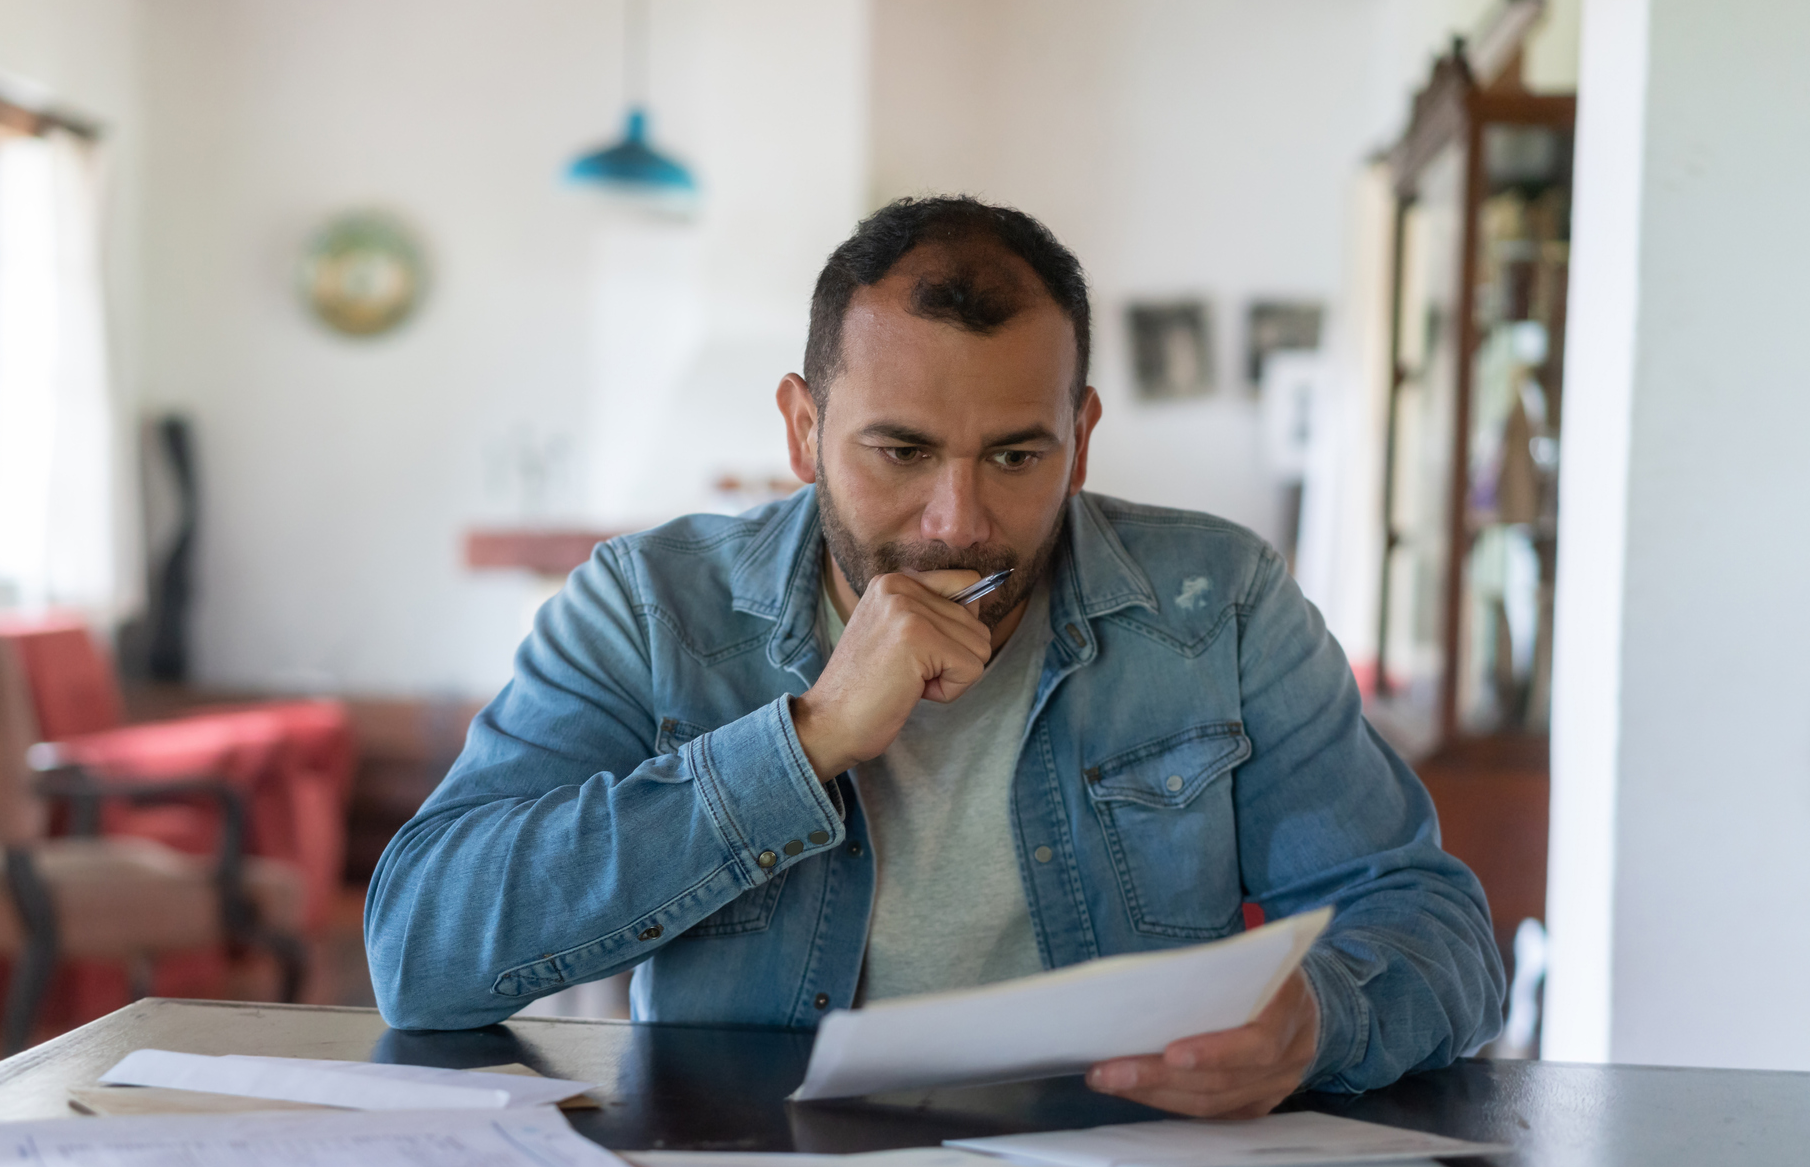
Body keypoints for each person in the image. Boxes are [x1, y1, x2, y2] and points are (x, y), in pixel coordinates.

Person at [367, 196, 1503, 1117]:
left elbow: (1429, 921)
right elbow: (421, 952)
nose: (956, 519)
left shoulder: (1218, 601)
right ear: (801, 429)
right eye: (898, 450)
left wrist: (1318, 1020)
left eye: (1016, 455)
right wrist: (804, 743)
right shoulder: (649, 605)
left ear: (1082, 435)